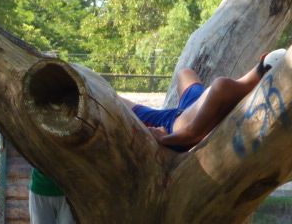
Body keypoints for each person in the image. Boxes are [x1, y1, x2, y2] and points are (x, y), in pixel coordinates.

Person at [121, 48, 288, 151]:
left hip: (173, 125)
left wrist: (161, 138)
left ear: (262, 56)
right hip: (193, 106)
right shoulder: (261, 99)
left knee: (120, 102)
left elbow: (192, 135)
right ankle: (192, 104)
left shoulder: (223, 87)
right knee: (185, 73)